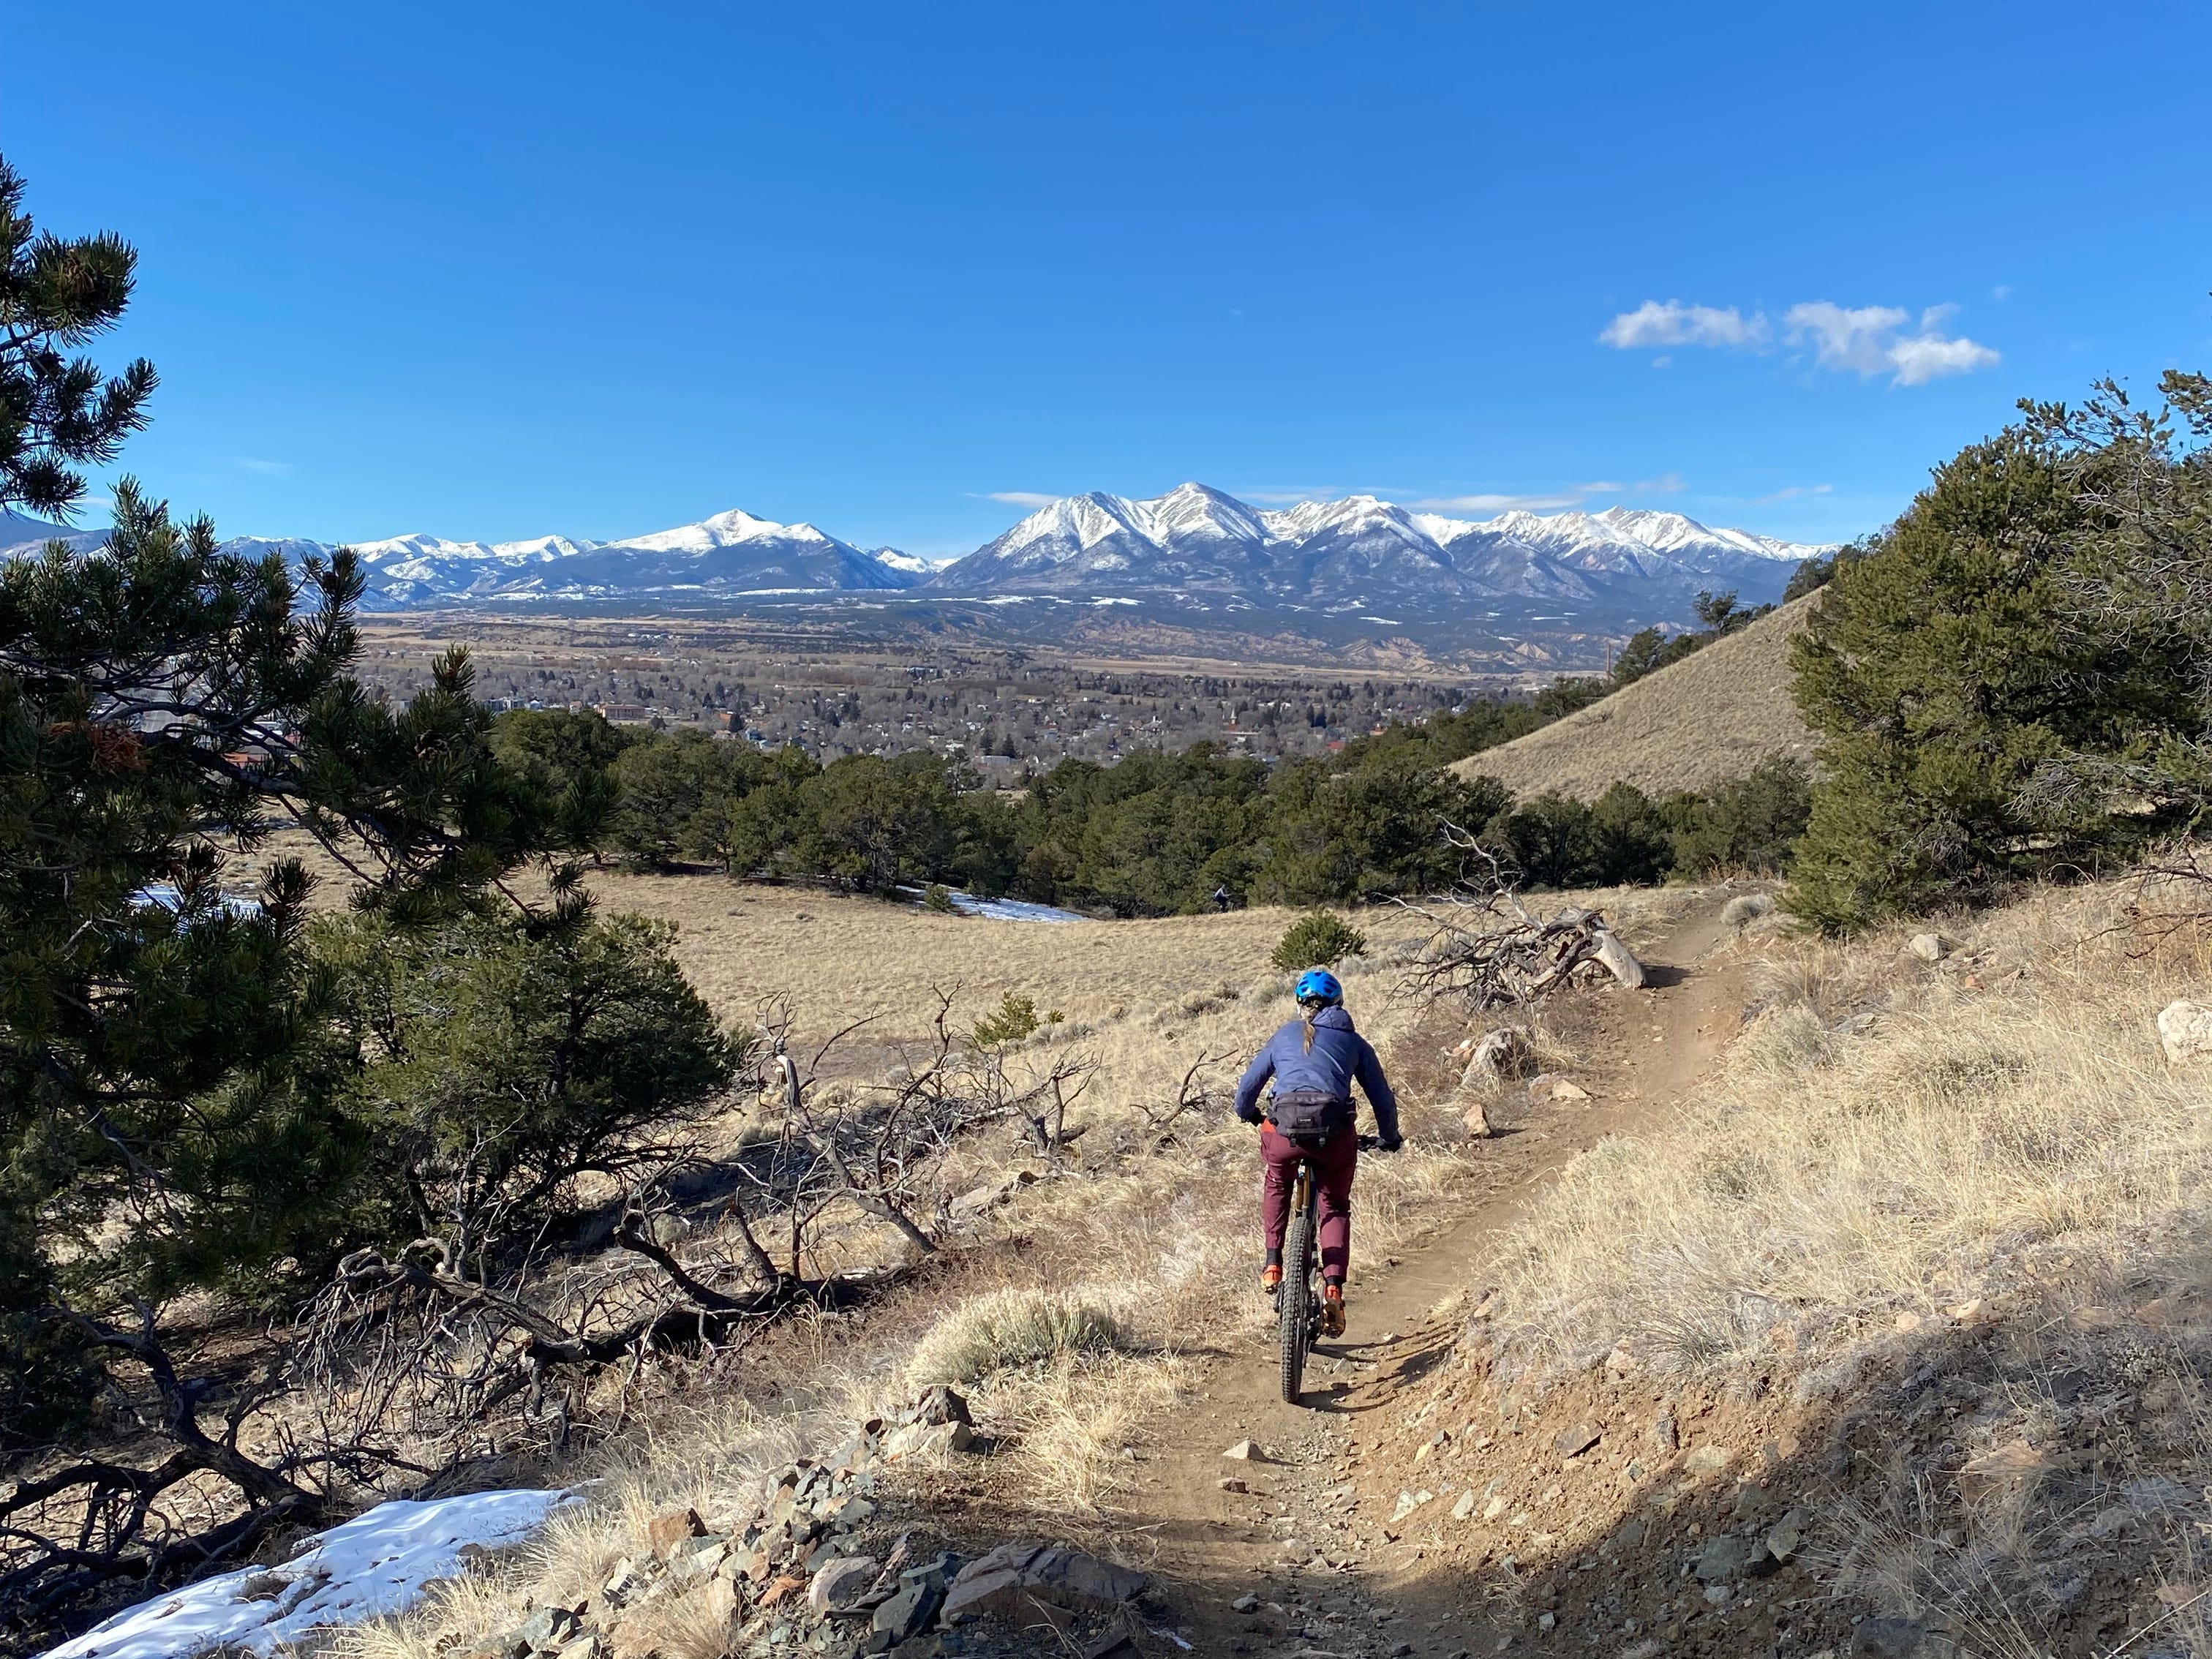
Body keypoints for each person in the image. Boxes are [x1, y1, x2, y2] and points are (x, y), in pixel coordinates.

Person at [1233, 968, 1401, 1336]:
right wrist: (1390, 1138)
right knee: (1335, 1206)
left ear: (1300, 1006)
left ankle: (1274, 1263)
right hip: (1334, 1138)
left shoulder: (1283, 1035)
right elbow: (1383, 1101)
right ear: (1338, 1005)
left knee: (1278, 1181)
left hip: (1284, 1135)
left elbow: (1246, 1090)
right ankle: (1334, 1289)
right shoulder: (1354, 1042)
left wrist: (1251, 1116)